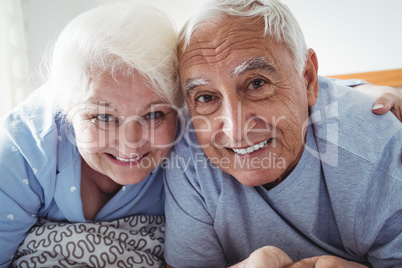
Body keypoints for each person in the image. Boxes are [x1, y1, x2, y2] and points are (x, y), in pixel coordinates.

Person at [163, 0, 402, 267]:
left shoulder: (378, 146)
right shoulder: (188, 148)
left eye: (256, 83)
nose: (235, 128)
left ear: (308, 78)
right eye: (206, 97)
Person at [0, 3, 183, 267]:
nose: (131, 141)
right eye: (104, 117)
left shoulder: (190, 150)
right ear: (67, 112)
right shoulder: (22, 151)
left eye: (154, 115)